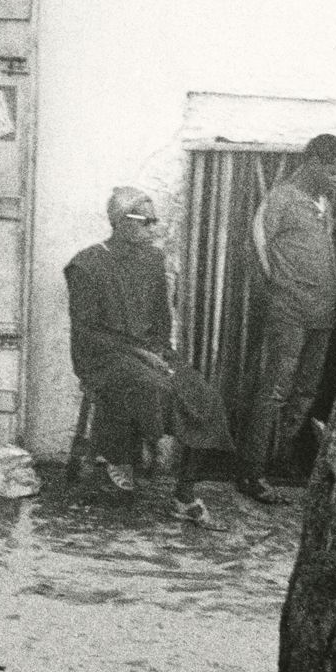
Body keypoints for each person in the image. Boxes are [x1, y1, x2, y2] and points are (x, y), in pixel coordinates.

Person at [65, 185, 233, 509]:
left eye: (154, 221)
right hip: (102, 355)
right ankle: (120, 456)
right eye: (147, 221)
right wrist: (140, 354)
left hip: (150, 351)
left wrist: (160, 354)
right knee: (151, 387)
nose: (153, 228)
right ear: (122, 222)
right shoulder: (87, 265)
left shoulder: (153, 261)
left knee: (201, 394)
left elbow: (160, 321)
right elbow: (86, 333)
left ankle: (184, 493)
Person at [236, 134, 336, 504]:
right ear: (313, 162)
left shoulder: (324, 203)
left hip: (322, 313)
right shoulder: (281, 198)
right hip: (289, 312)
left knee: (304, 391)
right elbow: (255, 250)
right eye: (332, 171)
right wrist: (277, 293)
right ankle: (250, 472)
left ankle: (281, 459)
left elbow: (326, 255)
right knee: (275, 390)